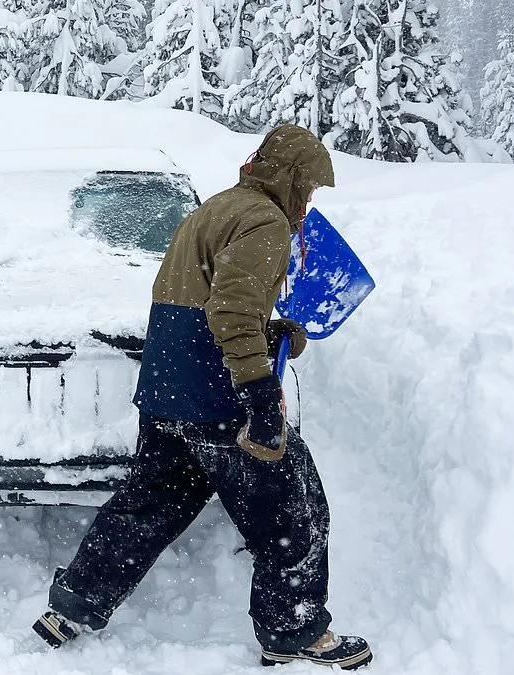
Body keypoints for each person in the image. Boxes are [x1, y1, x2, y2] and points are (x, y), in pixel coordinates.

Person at [31, 125, 372, 670]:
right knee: (295, 512)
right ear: (289, 178)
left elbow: (207, 302)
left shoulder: (216, 208)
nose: (309, 201)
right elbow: (230, 311)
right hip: (218, 399)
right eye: (308, 187)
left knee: (148, 506)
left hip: (168, 390)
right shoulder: (266, 222)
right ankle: (293, 632)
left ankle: (74, 606)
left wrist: (268, 332)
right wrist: (261, 397)